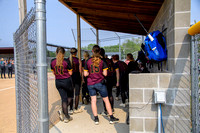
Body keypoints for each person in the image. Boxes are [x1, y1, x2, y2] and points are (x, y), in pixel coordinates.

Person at [84, 45, 119, 125]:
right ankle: (111, 117)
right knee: (106, 100)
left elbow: (85, 74)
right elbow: (105, 74)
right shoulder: (102, 61)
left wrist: (90, 73)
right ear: (99, 52)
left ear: (92, 51)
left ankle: (96, 119)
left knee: (93, 100)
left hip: (91, 83)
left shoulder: (88, 61)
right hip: (100, 83)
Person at [51, 47, 73, 123]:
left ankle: (65, 115)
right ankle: (65, 114)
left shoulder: (52, 61)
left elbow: (53, 72)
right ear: (64, 53)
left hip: (58, 81)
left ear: (56, 52)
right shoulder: (66, 61)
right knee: (70, 97)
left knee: (64, 99)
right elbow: (70, 73)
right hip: (66, 81)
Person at [100, 48, 115, 115]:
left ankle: (106, 110)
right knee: (110, 94)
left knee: (105, 95)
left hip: (105, 79)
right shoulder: (109, 60)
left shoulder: (101, 61)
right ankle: (112, 108)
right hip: (111, 78)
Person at [68, 48, 82, 114]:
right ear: (75, 53)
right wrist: (82, 78)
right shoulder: (78, 60)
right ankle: (76, 108)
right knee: (77, 93)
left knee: (70, 93)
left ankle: (70, 109)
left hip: (70, 77)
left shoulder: (68, 59)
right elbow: (80, 70)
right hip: (77, 77)